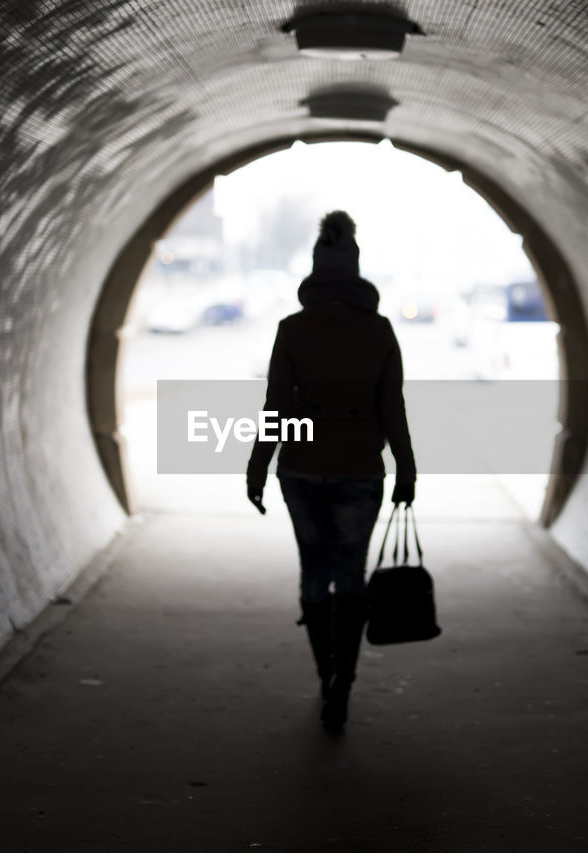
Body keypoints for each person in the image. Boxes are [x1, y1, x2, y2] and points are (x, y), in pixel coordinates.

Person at [246, 210, 416, 734]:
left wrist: (258, 467)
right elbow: (393, 408)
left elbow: (275, 407)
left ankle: (326, 675)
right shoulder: (380, 330)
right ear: (357, 270)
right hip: (360, 470)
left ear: (316, 271)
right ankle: (346, 674)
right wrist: (406, 470)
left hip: (301, 470)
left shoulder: (292, 330)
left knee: (313, 572)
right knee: (350, 572)